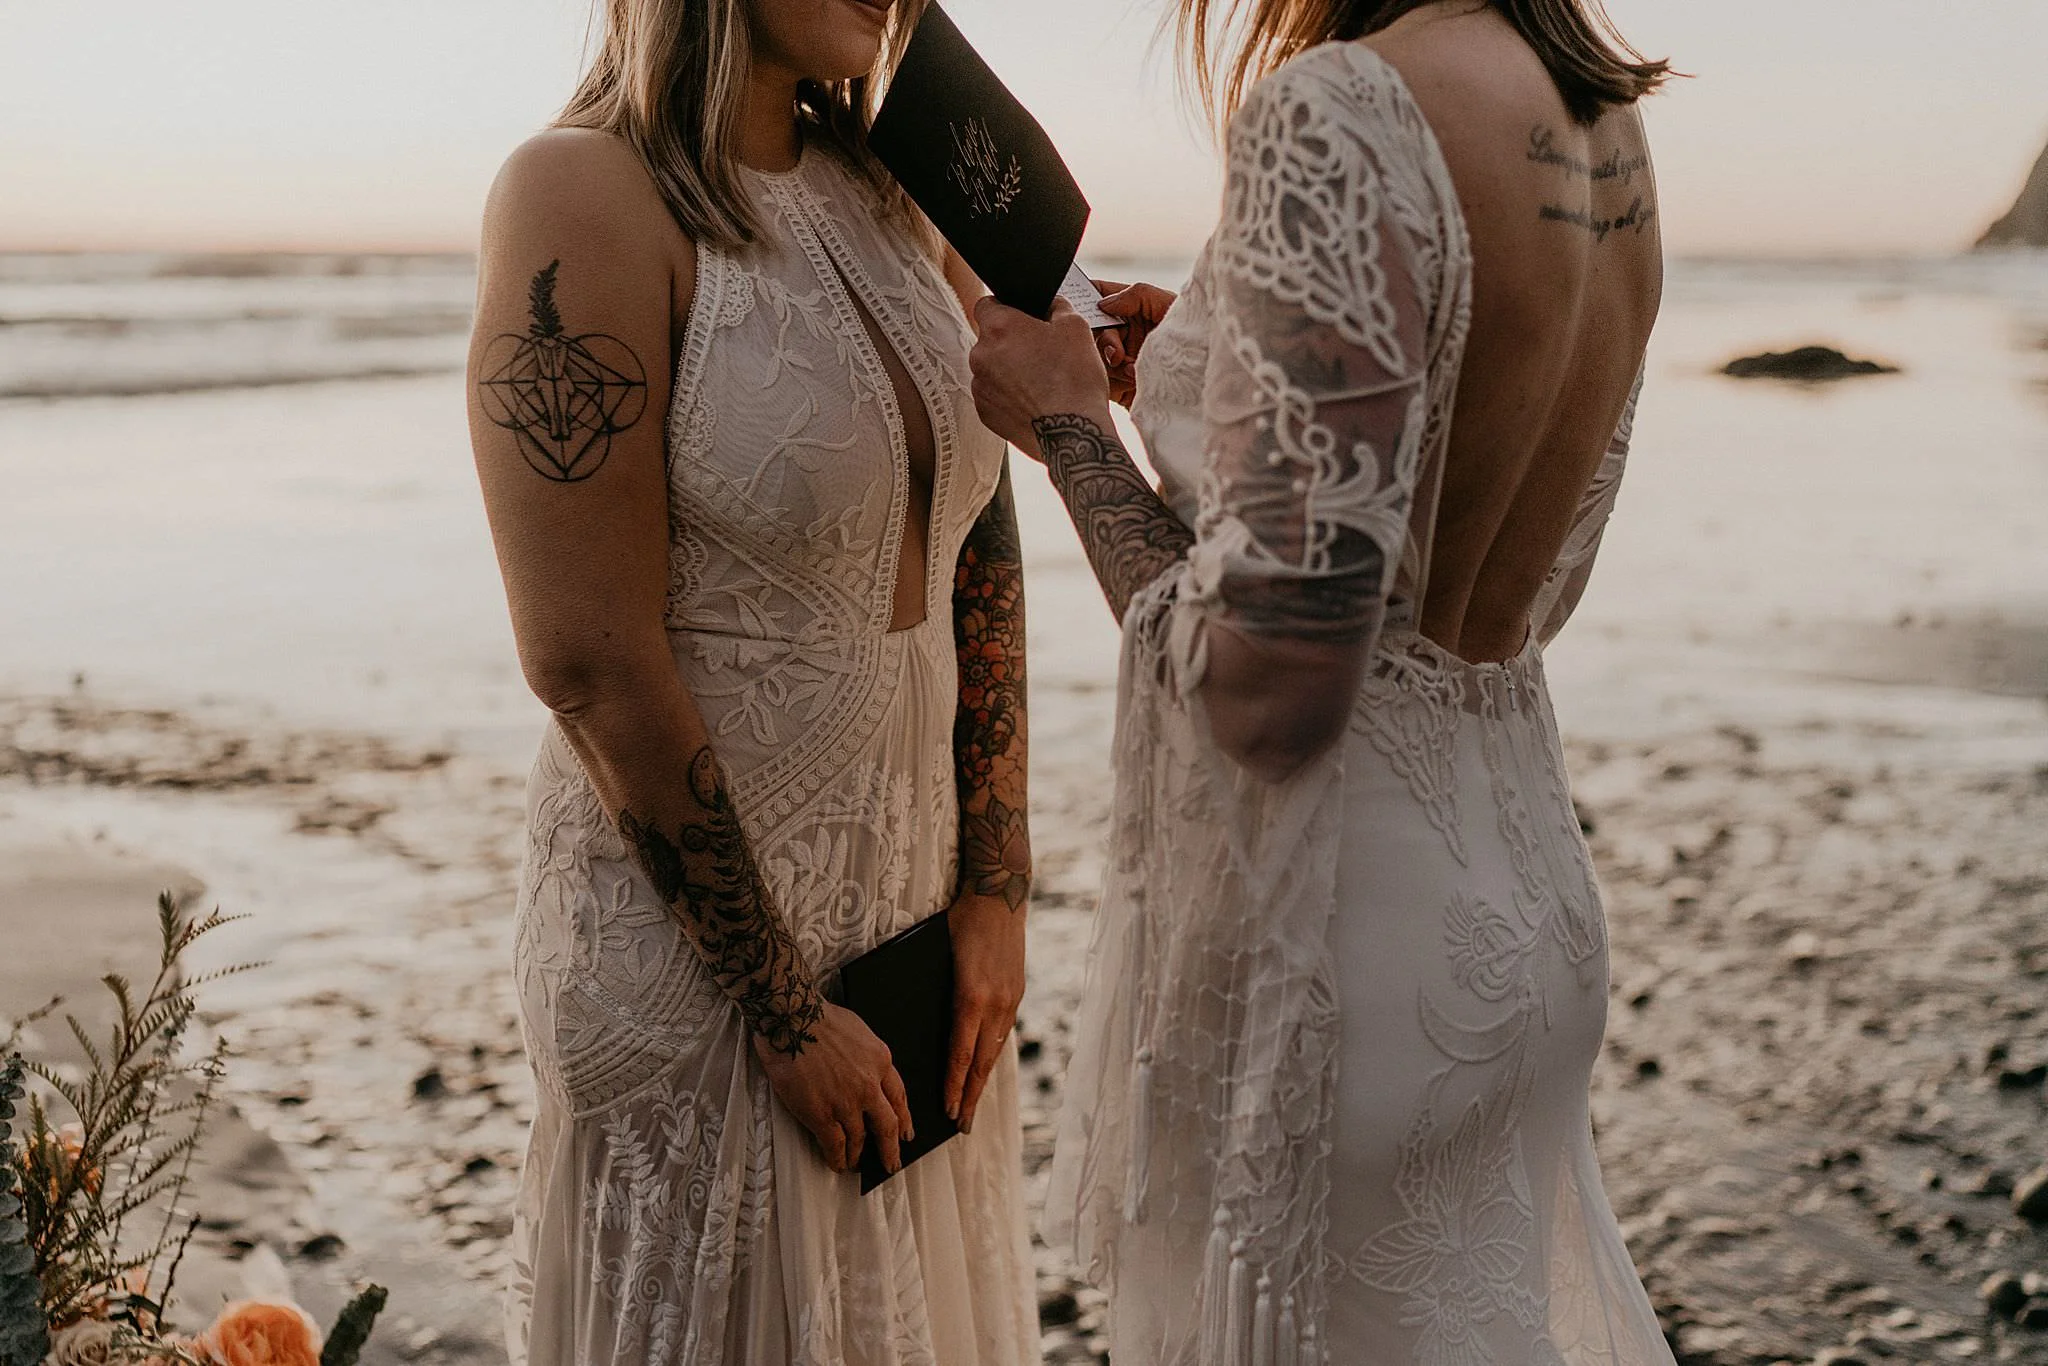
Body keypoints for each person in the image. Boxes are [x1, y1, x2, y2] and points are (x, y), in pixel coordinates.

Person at [968, 0, 1674, 1360]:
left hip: (1346, 943)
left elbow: (1263, 690)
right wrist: (1225, 379)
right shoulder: (1602, 127)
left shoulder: (1342, 106)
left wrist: (1070, 430)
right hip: (1526, 890)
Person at [466, 0, 1039, 1360]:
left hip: (909, 936)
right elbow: (587, 658)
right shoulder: (580, 193)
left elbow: (980, 527)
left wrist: (997, 885)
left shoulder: (890, 186)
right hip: (706, 975)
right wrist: (781, 1009)